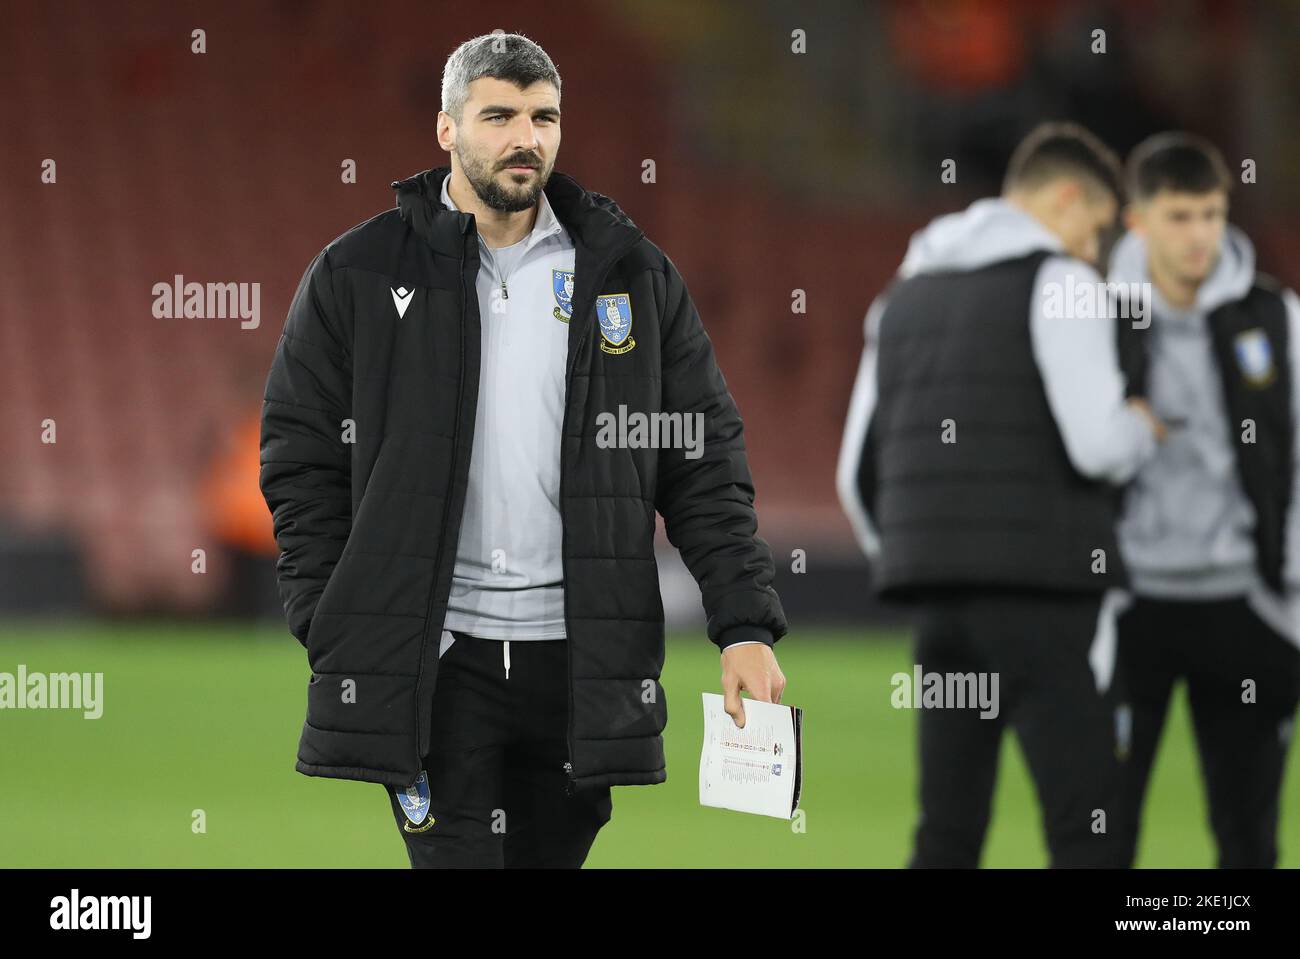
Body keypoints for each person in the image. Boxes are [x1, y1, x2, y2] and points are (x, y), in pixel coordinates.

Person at [259, 32, 788, 869]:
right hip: (438, 664)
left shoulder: (632, 276)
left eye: (543, 117)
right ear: (446, 129)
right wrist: (333, 617)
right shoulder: (355, 273)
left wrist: (745, 625)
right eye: (499, 115)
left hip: (580, 667)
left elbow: (702, 460)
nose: (525, 137)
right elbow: (300, 455)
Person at [837, 122, 1165, 867]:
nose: (1095, 247)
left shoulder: (902, 296)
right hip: (1045, 606)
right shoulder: (1064, 284)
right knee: (1087, 831)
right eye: (1098, 226)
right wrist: (1143, 426)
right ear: (1066, 197)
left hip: (939, 610)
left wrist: (924, 556)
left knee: (948, 832)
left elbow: (857, 474)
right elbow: (1097, 441)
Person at [1109, 132, 1300, 868]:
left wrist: (1287, 597)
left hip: (1244, 608)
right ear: (1138, 220)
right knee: (1101, 833)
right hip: (1129, 607)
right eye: (1181, 215)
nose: (1200, 235)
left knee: (1249, 840)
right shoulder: (1089, 315)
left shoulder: (1275, 318)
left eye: (1213, 214)